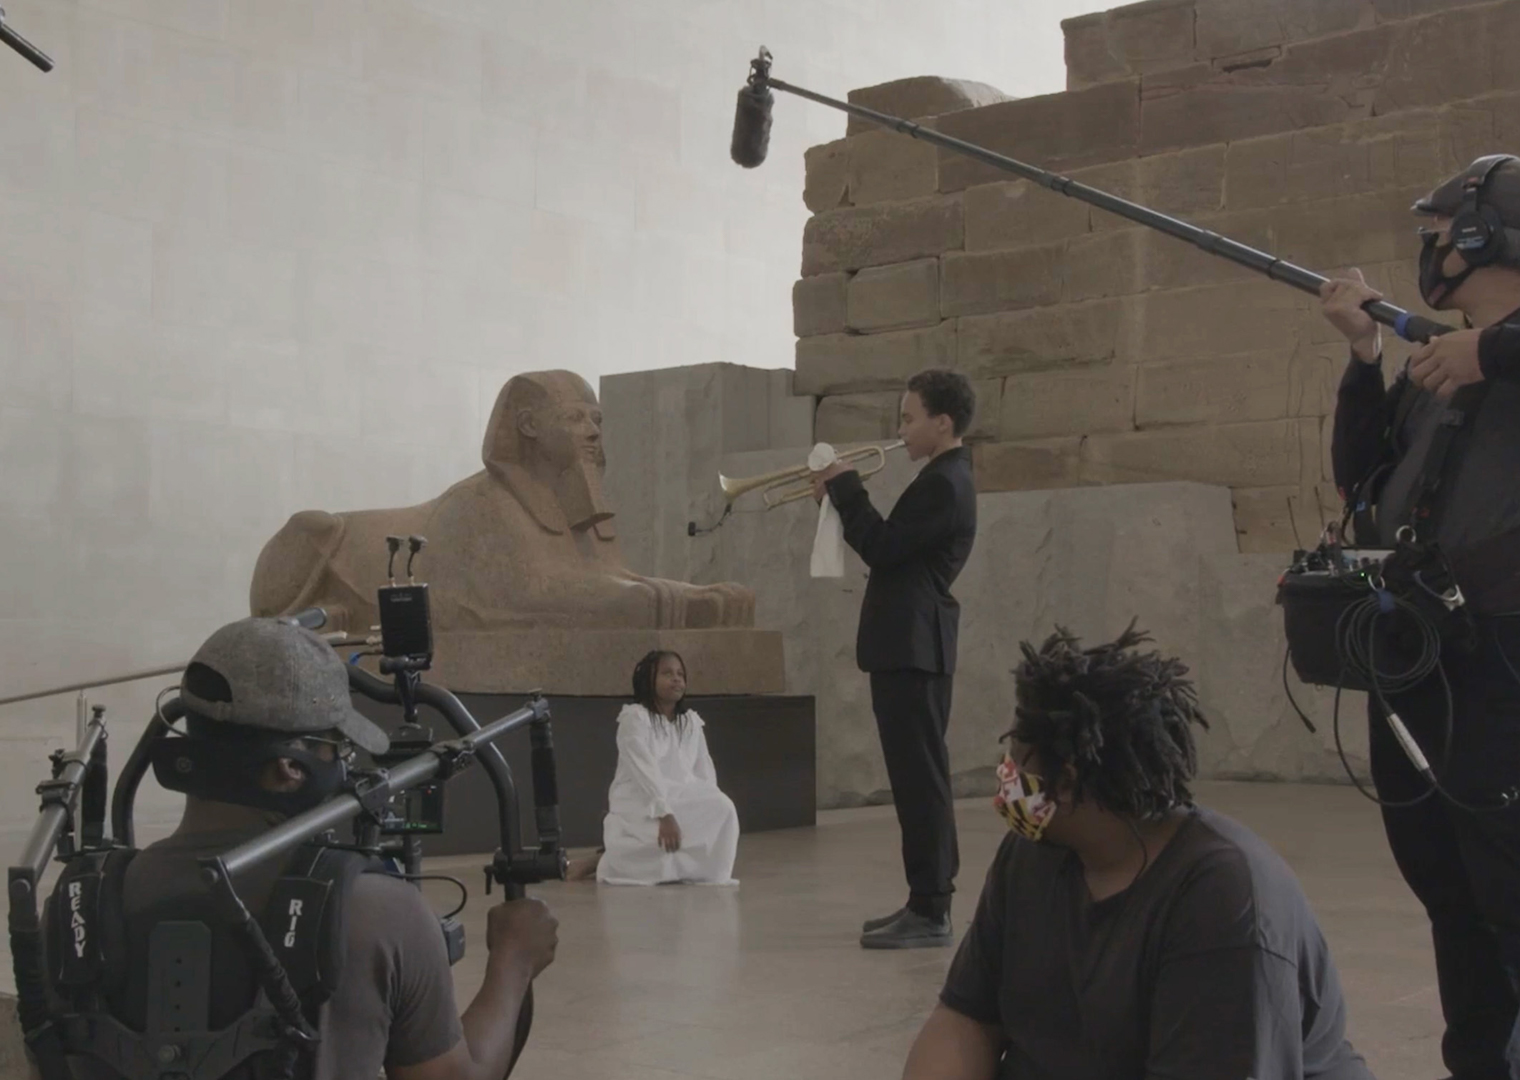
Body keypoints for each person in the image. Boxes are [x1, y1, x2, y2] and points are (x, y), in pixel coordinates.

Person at [46, 617, 560, 1080]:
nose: (344, 768)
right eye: (335, 749)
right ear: (289, 768)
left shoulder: (76, 907)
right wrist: (513, 962)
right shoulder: (377, 912)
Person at [902, 625, 1375, 1080]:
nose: (1004, 773)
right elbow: (965, 1020)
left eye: (1016, 759)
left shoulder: (1225, 901)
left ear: (1065, 782)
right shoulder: (1032, 853)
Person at [1321, 154, 1520, 1080]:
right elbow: (1360, 475)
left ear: (1482, 237)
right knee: (1447, 886)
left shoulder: (1493, 354)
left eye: (1442, 228)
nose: (1429, 246)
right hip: (1417, 666)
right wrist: (1366, 357)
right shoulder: (1439, 364)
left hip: (1502, 669)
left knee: (1507, 888)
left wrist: (1497, 349)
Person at [812, 368, 978, 949]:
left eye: (909, 418)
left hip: (914, 645)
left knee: (920, 780)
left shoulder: (943, 482)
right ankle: (924, 900)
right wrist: (840, 498)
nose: (900, 430)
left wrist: (847, 491)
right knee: (916, 779)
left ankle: (932, 908)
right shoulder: (944, 476)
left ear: (943, 422)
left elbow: (884, 548)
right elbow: (893, 550)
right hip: (911, 643)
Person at [595, 650, 740, 886]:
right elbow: (643, 772)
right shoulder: (635, 719)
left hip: (682, 795)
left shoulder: (691, 722)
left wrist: (709, 802)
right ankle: (606, 861)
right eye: (667, 673)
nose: (676, 679)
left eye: (681, 674)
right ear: (648, 681)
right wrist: (664, 813)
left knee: (723, 808)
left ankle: (690, 871)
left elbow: (704, 770)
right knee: (662, 833)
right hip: (641, 797)